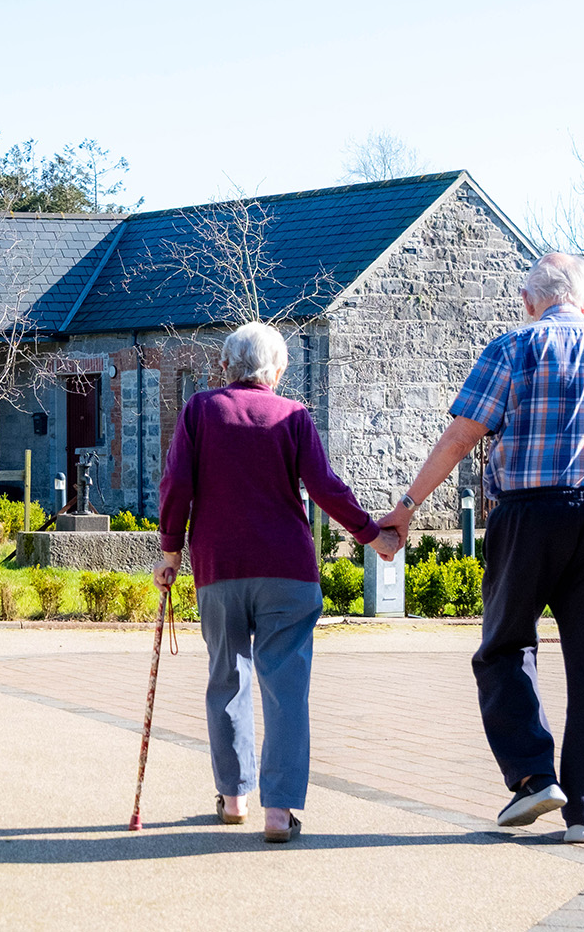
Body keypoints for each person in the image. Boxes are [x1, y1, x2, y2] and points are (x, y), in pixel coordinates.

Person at [377, 252, 584, 844]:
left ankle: (533, 777)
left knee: (503, 646)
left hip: (527, 516)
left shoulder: (511, 348)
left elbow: (462, 434)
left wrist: (409, 507)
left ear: (528, 302)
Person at [154, 321, 400, 843]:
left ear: (224, 366)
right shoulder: (294, 416)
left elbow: (177, 482)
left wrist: (171, 550)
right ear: (279, 370)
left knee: (227, 677)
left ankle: (234, 797)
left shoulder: (200, 410)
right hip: (287, 570)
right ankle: (279, 811)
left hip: (220, 569)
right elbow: (325, 487)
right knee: (286, 689)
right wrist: (371, 536)